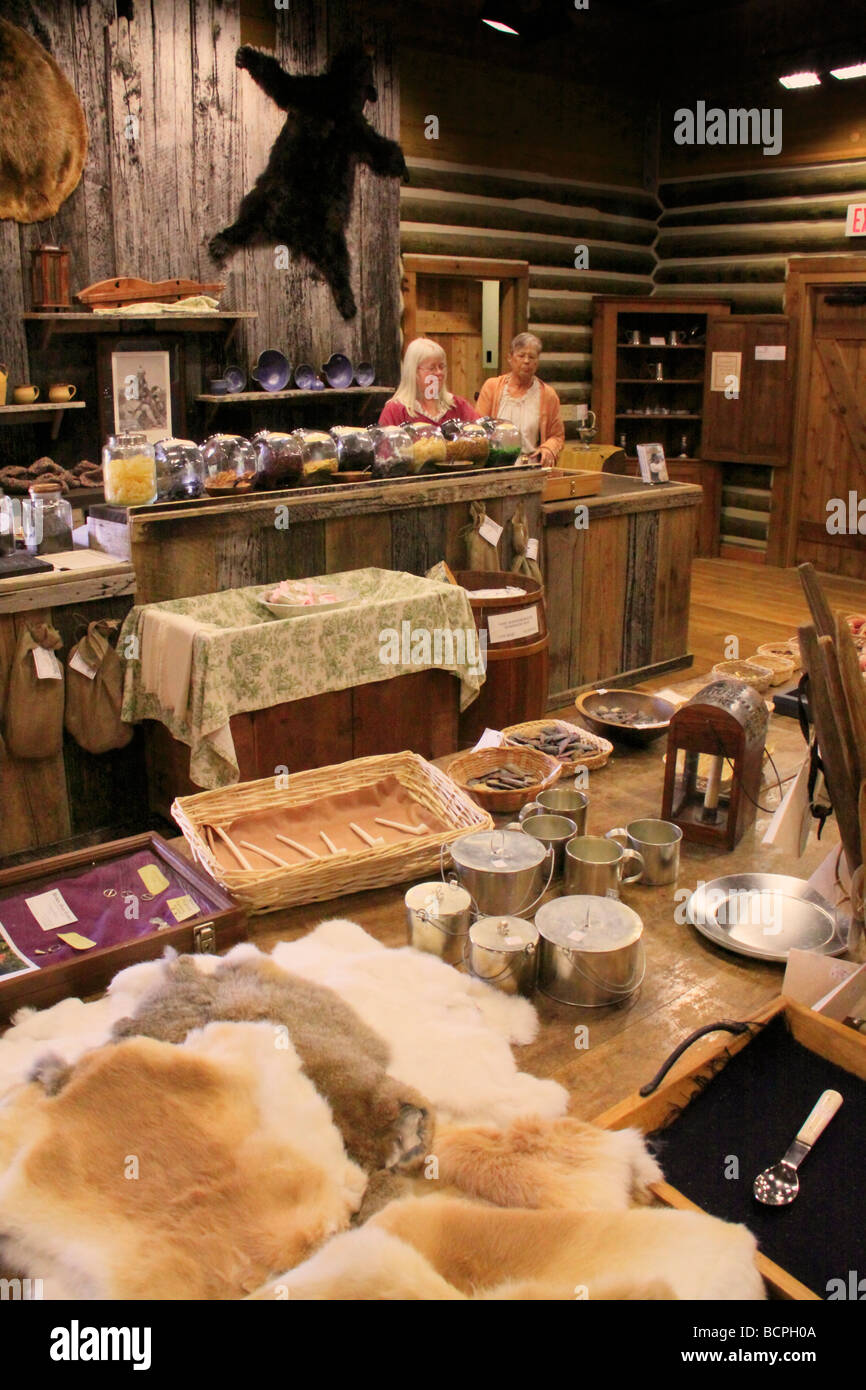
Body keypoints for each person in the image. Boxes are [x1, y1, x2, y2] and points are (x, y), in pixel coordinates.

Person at [475, 333, 565, 464]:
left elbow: (557, 436)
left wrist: (548, 449)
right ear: (510, 358)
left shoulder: (548, 395)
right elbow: (478, 428)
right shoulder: (492, 387)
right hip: (495, 466)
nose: (526, 361)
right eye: (521, 355)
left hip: (531, 466)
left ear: (537, 362)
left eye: (532, 357)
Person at [379, 338, 479, 427]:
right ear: (414, 372)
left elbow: (480, 435)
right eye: (432, 368)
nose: (439, 372)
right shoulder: (395, 411)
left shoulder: (458, 406)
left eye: (441, 366)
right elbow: (384, 446)